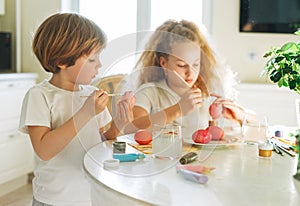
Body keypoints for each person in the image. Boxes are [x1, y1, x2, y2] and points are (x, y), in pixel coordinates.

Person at [19, 13, 133, 206]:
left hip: (90, 195)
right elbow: (44, 150)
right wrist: (86, 113)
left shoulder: (91, 94)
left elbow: (103, 140)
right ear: (62, 61)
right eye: (91, 60)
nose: (100, 64)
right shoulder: (40, 95)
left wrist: (119, 124)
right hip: (54, 199)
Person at [124, 19, 255, 137]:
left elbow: (258, 123)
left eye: (196, 64)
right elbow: (132, 127)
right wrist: (178, 109)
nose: (190, 72)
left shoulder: (206, 93)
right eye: (182, 65)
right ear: (163, 63)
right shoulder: (150, 92)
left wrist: (240, 116)